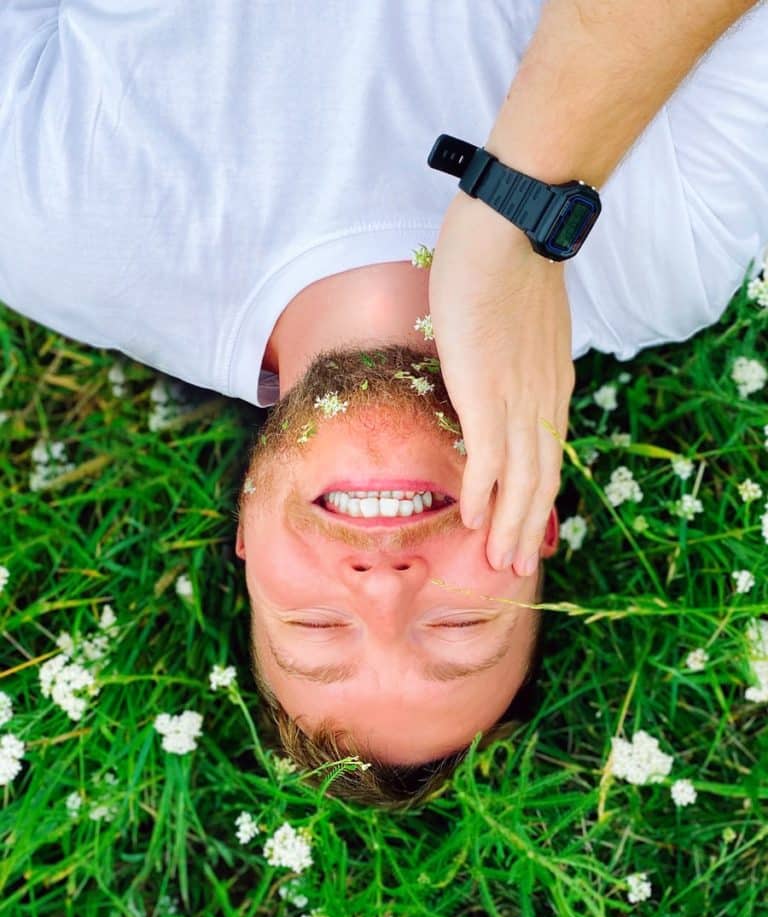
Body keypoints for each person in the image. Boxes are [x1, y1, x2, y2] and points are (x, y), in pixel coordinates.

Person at [1, 1, 766, 805]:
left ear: (247, 538)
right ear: (542, 527)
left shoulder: (55, 233)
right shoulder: (667, 257)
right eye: (458, 625)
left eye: (317, 627)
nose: (383, 584)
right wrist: (520, 215)